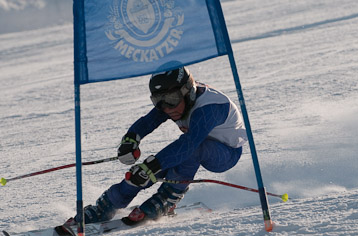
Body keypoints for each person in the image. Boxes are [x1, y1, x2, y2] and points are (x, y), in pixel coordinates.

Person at [73, 65, 247, 225]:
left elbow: (188, 144)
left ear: (188, 91)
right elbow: (149, 121)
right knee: (144, 172)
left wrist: (152, 165)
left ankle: (167, 199)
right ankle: (108, 205)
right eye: (157, 100)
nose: (166, 108)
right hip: (195, 147)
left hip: (226, 154)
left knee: (183, 154)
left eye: (171, 98)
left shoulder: (210, 107)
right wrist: (131, 140)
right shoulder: (174, 102)